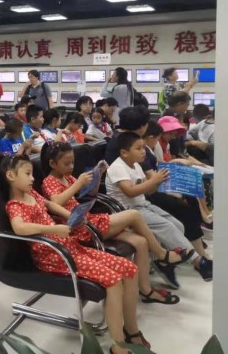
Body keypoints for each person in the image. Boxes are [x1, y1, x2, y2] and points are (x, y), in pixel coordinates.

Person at [0, 154, 147, 353]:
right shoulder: (15, 205)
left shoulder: (31, 194)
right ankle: (118, 346)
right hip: (55, 256)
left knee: (130, 269)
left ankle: (131, 329)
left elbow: (50, 205)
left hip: (70, 247)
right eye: (28, 173)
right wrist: (54, 229)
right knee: (113, 281)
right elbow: (19, 228)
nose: (33, 178)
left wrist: (73, 216)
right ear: (11, 176)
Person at [41, 142, 184, 305]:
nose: (71, 167)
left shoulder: (67, 178)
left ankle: (146, 291)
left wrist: (98, 176)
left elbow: (89, 195)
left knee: (141, 242)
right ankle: (162, 254)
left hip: (89, 220)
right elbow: (56, 202)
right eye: (67, 164)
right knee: (134, 215)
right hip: (80, 228)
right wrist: (78, 183)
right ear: (52, 163)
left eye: (73, 162)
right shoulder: (49, 181)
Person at [105, 132, 213, 287]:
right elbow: (130, 191)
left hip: (143, 205)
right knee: (167, 227)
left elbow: (148, 191)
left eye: (143, 147)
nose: (143, 151)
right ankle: (198, 262)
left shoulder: (136, 165)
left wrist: (159, 182)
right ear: (124, 152)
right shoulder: (117, 167)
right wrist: (153, 180)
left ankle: (163, 261)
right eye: (138, 148)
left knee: (178, 225)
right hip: (127, 211)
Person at [142, 121, 212, 278]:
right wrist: (172, 190)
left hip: (156, 186)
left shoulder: (153, 148)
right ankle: (196, 253)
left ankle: (196, 240)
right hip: (151, 192)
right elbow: (152, 177)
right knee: (183, 206)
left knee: (191, 197)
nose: (174, 136)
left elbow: (158, 169)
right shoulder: (145, 151)